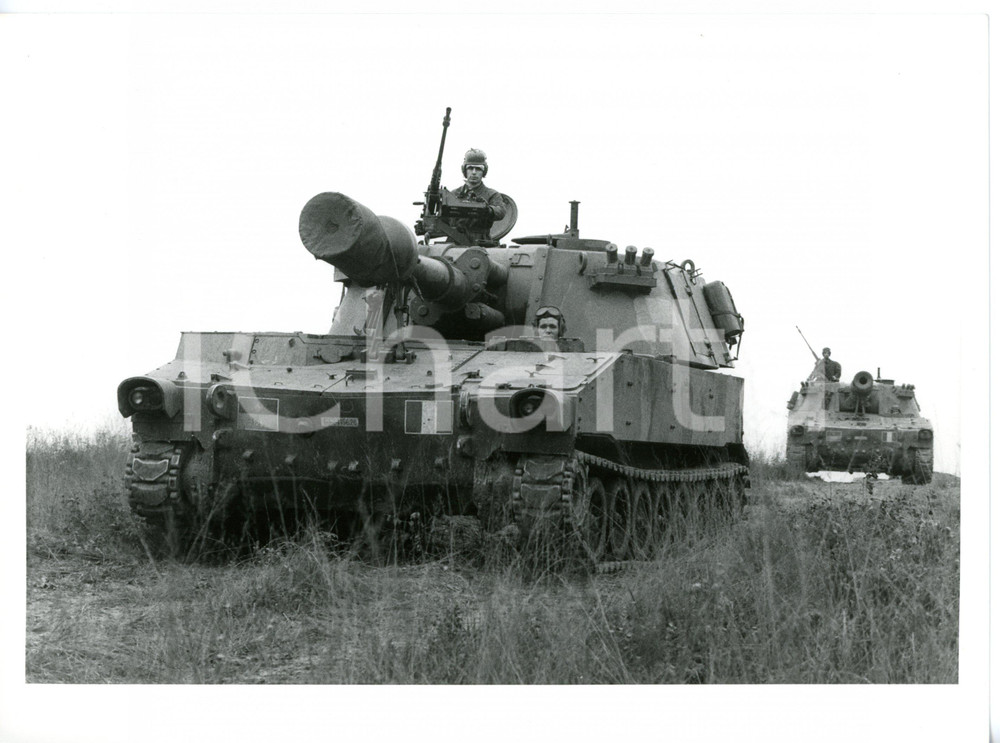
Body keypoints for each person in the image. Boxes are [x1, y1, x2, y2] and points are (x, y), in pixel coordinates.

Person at [447, 148, 506, 241]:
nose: (474, 172)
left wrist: (488, 210)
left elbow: (501, 211)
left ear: (484, 171)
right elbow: (443, 219)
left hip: (481, 241)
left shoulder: (492, 194)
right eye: (470, 168)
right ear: (465, 171)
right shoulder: (453, 194)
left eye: (478, 169)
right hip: (454, 240)